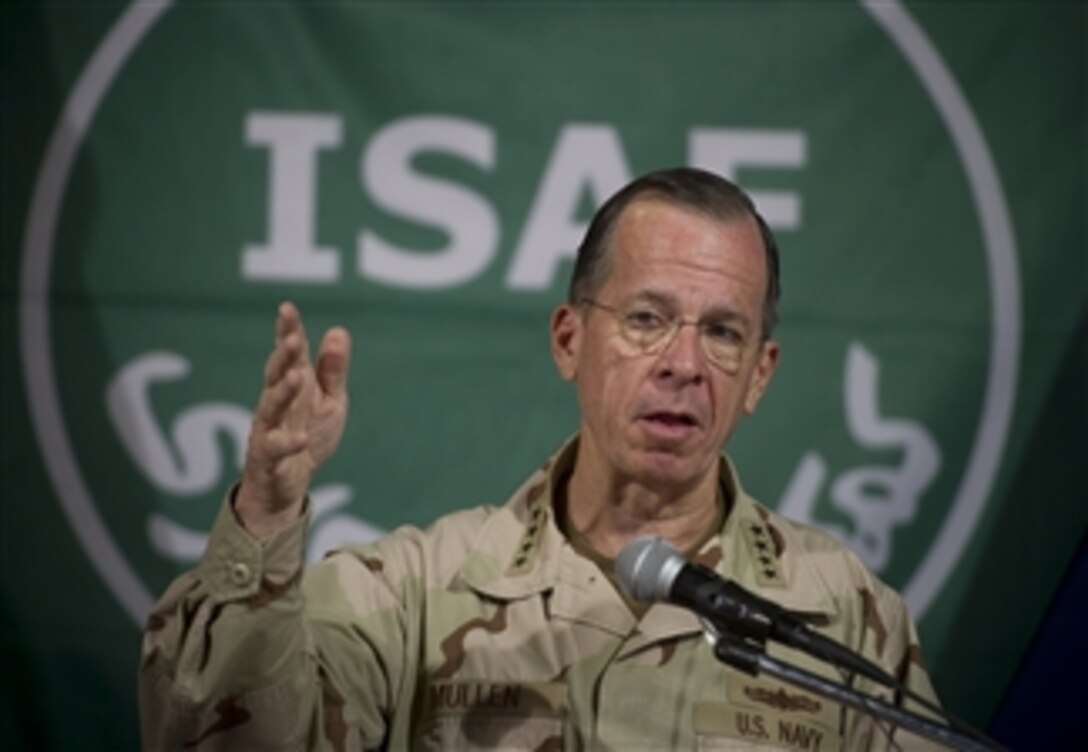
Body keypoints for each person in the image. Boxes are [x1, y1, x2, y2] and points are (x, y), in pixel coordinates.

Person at [139, 168, 940, 750]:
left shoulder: (843, 616)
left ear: (759, 374)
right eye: (647, 318)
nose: (684, 363)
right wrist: (269, 513)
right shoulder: (414, 594)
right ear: (570, 339)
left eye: (723, 333)